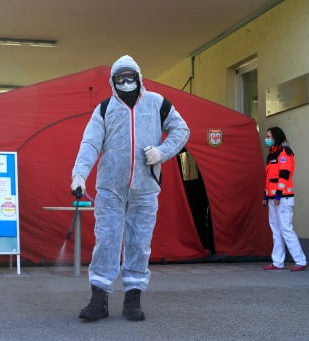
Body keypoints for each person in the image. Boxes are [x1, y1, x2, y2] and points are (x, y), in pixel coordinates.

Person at [71, 55, 190, 322]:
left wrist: (162, 152)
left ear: (139, 77)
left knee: (139, 243)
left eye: (130, 77)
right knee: (107, 241)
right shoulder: (104, 109)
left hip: (146, 188)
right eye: (120, 79)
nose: (126, 82)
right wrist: (79, 175)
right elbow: (90, 144)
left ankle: (133, 298)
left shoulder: (157, 104)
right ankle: (98, 299)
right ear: (112, 82)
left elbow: (181, 130)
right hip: (111, 188)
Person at [261, 126, 307, 272]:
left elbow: (285, 175)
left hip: (283, 199)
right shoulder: (271, 156)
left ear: (276, 137)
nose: (267, 139)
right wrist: (265, 196)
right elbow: (269, 179)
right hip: (272, 199)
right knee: (276, 231)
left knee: (286, 229)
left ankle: (300, 261)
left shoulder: (285, 154)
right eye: (266, 137)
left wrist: (279, 194)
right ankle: (277, 262)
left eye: (269, 137)